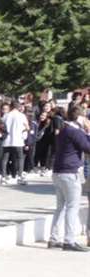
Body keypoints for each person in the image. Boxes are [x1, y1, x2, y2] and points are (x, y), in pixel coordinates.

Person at [48, 107, 90, 251]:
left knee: (60, 207)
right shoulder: (75, 132)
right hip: (70, 173)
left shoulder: (64, 130)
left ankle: (53, 239)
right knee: (72, 207)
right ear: (79, 118)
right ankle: (69, 241)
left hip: (58, 172)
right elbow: (87, 147)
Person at [1, 103, 28, 186]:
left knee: (5, 159)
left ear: (11, 107)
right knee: (20, 158)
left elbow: (1, 127)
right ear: (18, 107)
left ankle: (3, 177)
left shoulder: (5, 116)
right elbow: (27, 127)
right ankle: (20, 177)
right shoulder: (22, 115)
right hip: (18, 140)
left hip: (7, 140)